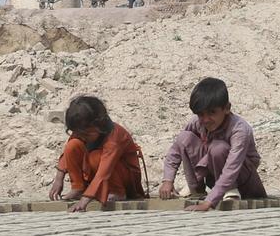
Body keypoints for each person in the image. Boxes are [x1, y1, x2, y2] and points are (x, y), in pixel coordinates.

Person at [158, 76, 266, 212]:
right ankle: (196, 189)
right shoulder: (197, 123)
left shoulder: (239, 130)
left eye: (212, 113)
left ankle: (230, 191)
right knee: (184, 137)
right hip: (214, 178)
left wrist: (209, 203)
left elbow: (232, 168)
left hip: (243, 182)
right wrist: (167, 180)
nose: (206, 120)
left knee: (218, 148)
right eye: (201, 114)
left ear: (227, 108)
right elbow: (175, 150)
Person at [48, 95, 145, 213]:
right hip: (99, 174)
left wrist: (84, 202)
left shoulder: (114, 137)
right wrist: (59, 178)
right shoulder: (82, 131)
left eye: (86, 134)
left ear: (98, 126)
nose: (82, 137)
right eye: (79, 133)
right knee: (72, 145)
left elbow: (104, 172)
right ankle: (78, 188)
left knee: (95, 157)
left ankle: (117, 192)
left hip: (123, 178)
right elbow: (67, 155)